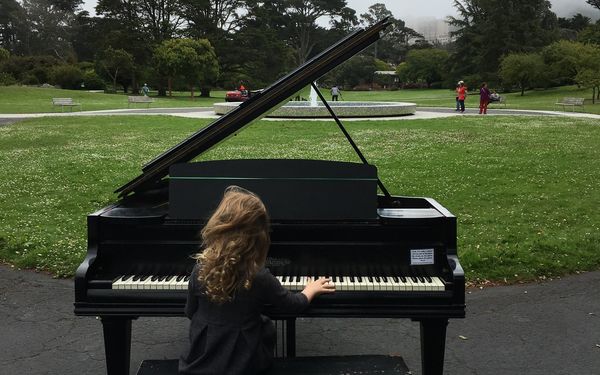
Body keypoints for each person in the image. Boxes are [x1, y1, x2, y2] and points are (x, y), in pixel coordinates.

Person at [179, 186, 335, 375]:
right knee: (263, 327)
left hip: (200, 361)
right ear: (259, 237)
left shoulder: (200, 268)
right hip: (243, 364)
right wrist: (310, 289)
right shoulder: (258, 276)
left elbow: (190, 311)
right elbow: (291, 305)